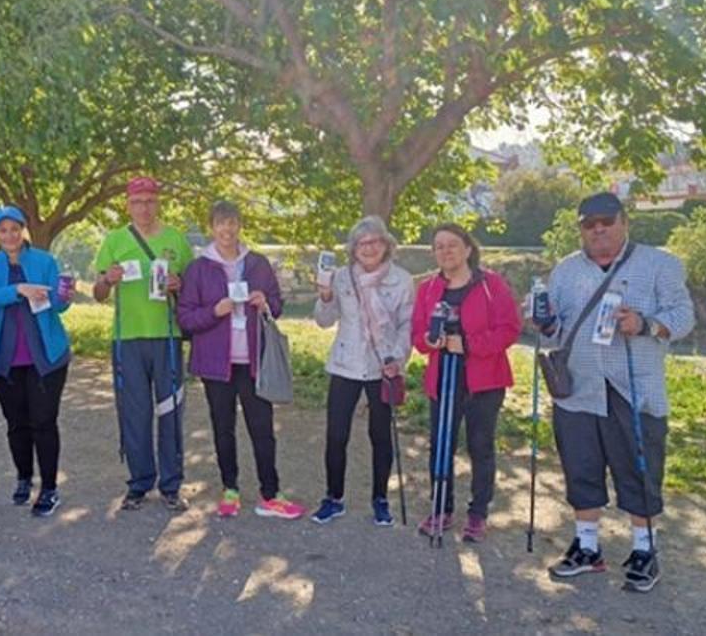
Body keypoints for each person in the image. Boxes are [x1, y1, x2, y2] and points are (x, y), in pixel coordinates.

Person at [538, 193, 693, 593]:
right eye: (589, 224)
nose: (598, 230)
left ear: (624, 221)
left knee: (639, 472)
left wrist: (645, 323)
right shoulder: (566, 270)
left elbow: (683, 316)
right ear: (581, 230)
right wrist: (542, 321)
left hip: (633, 388)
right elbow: (556, 327)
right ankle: (587, 547)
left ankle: (644, 550)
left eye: (606, 221)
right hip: (577, 389)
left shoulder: (660, 264)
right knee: (580, 468)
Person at [177, 201, 305, 519]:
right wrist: (214, 311)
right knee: (223, 428)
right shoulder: (197, 269)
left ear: (240, 226)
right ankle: (230, 489)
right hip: (215, 364)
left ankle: (271, 493)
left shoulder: (258, 264)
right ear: (211, 227)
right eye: (221, 223)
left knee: (262, 428)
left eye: (232, 222)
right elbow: (186, 318)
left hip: (253, 362)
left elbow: (276, 305)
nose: (227, 229)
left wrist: (265, 303)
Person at [411, 223, 521, 543]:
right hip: (442, 380)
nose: (445, 251)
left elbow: (509, 328)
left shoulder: (491, 284)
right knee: (440, 445)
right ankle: (441, 508)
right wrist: (431, 341)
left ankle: (477, 513)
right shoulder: (428, 289)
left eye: (452, 245)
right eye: (439, 246)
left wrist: (469, 344)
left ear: (468, 249)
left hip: (484, 380)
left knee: (480, 446)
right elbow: (418, 335)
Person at [92, 176, 195, 512]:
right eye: (138, 201)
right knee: (134, 413)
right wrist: (108, 279)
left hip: (167, 336)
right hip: (127, 338)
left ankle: (171, 484)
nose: (144, 208)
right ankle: (138, 483)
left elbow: (194, 291)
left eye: (150, 201)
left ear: (159, 203)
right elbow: (97, 293)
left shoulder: (176, 239)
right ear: (128, 204)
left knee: (170, 410)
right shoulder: (115, 240)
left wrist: (179, 285)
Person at [309, 216, 413, 526]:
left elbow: (407, 323)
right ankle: (333, 497)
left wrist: (399, 358)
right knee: (336, 434)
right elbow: (323, 321)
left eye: (376, 241)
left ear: (386, 245)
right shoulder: (340, 277)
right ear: (353, 249)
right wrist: (325, 297)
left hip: (383, 364)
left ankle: (380, 498)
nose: (369, 248)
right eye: (362, 243)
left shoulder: (402, 279)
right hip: (345, 363)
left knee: (380, 435)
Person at [0, 205, 73, 517]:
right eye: (2, 230)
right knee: (16, 424)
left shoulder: (44, 261)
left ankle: (49, 488)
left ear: (23, 230)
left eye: (14, 228)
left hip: (46, 357)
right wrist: (19, 288)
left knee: (44, 422)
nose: (9, 235)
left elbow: (58, 306)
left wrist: (64, 295)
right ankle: (22, 477)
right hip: (3, 360)